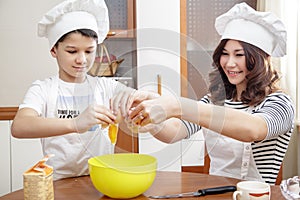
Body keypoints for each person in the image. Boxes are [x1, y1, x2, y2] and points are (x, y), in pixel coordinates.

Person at [119, 2, 295, 185]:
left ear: (262, 58)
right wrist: (150, 119)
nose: (229, 63)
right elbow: (173, 132)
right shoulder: (214, 100)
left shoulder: (279, 103)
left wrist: (176, 105)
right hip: (214, 193)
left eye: (239, 55)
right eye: (225, 54)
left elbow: (252, 130)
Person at [10, 0, 142, 180]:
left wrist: (136, 105)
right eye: (72, 51)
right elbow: (19, 127)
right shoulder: (43, 89)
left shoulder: (107, 87)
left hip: (100, 180)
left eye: (89, 51)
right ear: (54, 50)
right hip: (58, 182)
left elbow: (141, 100)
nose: (82, 60)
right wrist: (74, 124)